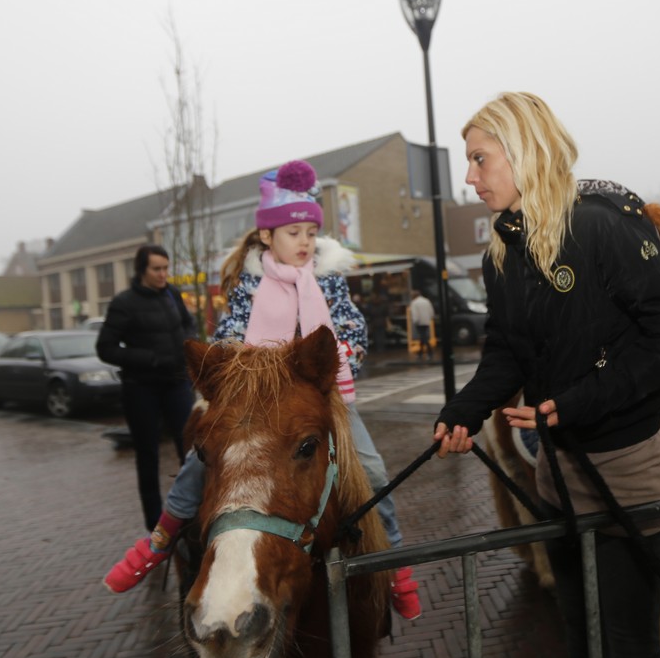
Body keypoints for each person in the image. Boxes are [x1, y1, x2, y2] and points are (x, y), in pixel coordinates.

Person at [432, 93, 660, 658]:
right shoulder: (503, 250)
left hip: (626, 470)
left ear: (522, 151)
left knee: (634, 651)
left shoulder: (602, 226)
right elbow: (506, 350)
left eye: (479, 158)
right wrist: (465, 409)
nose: (469, 177)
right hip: (555, 475)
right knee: (579, 640)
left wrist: (578, 402)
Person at [103, 160, 422, 620]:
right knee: (199, 463)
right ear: (268, 237)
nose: (305, 242)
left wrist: (341, 355)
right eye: (294, 233)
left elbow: (352, 327)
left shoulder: (327, 279)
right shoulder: (250, 285)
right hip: (256, 400)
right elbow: (228, 336)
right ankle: (159, 540)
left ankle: (395, 565)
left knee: (371, 470)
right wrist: (241, 363)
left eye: (311, 232)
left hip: (319, 399)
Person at [97, 244, 196, 533]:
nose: (163, 274)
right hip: (141, 388)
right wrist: (149, 358)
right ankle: (156, 526)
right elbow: (105, 348)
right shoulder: (124, 303)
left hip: (177, 382)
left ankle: (192, 516)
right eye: (157, 269)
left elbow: (188, 323)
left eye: (166, 268)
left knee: (191, 450)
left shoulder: (172, 294)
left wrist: (188, 344)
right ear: (142, 270)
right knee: (148, 456)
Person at [408, 289, 435, 361]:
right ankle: (420, 353)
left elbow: (415, 314)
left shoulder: (414, 303)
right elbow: (431, 311)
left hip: (419, 322)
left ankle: (429, 352)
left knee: (423, 337)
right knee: (423, 337)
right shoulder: (426, 301)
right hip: (426, 321)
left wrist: (415, 321)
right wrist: (430, 318)